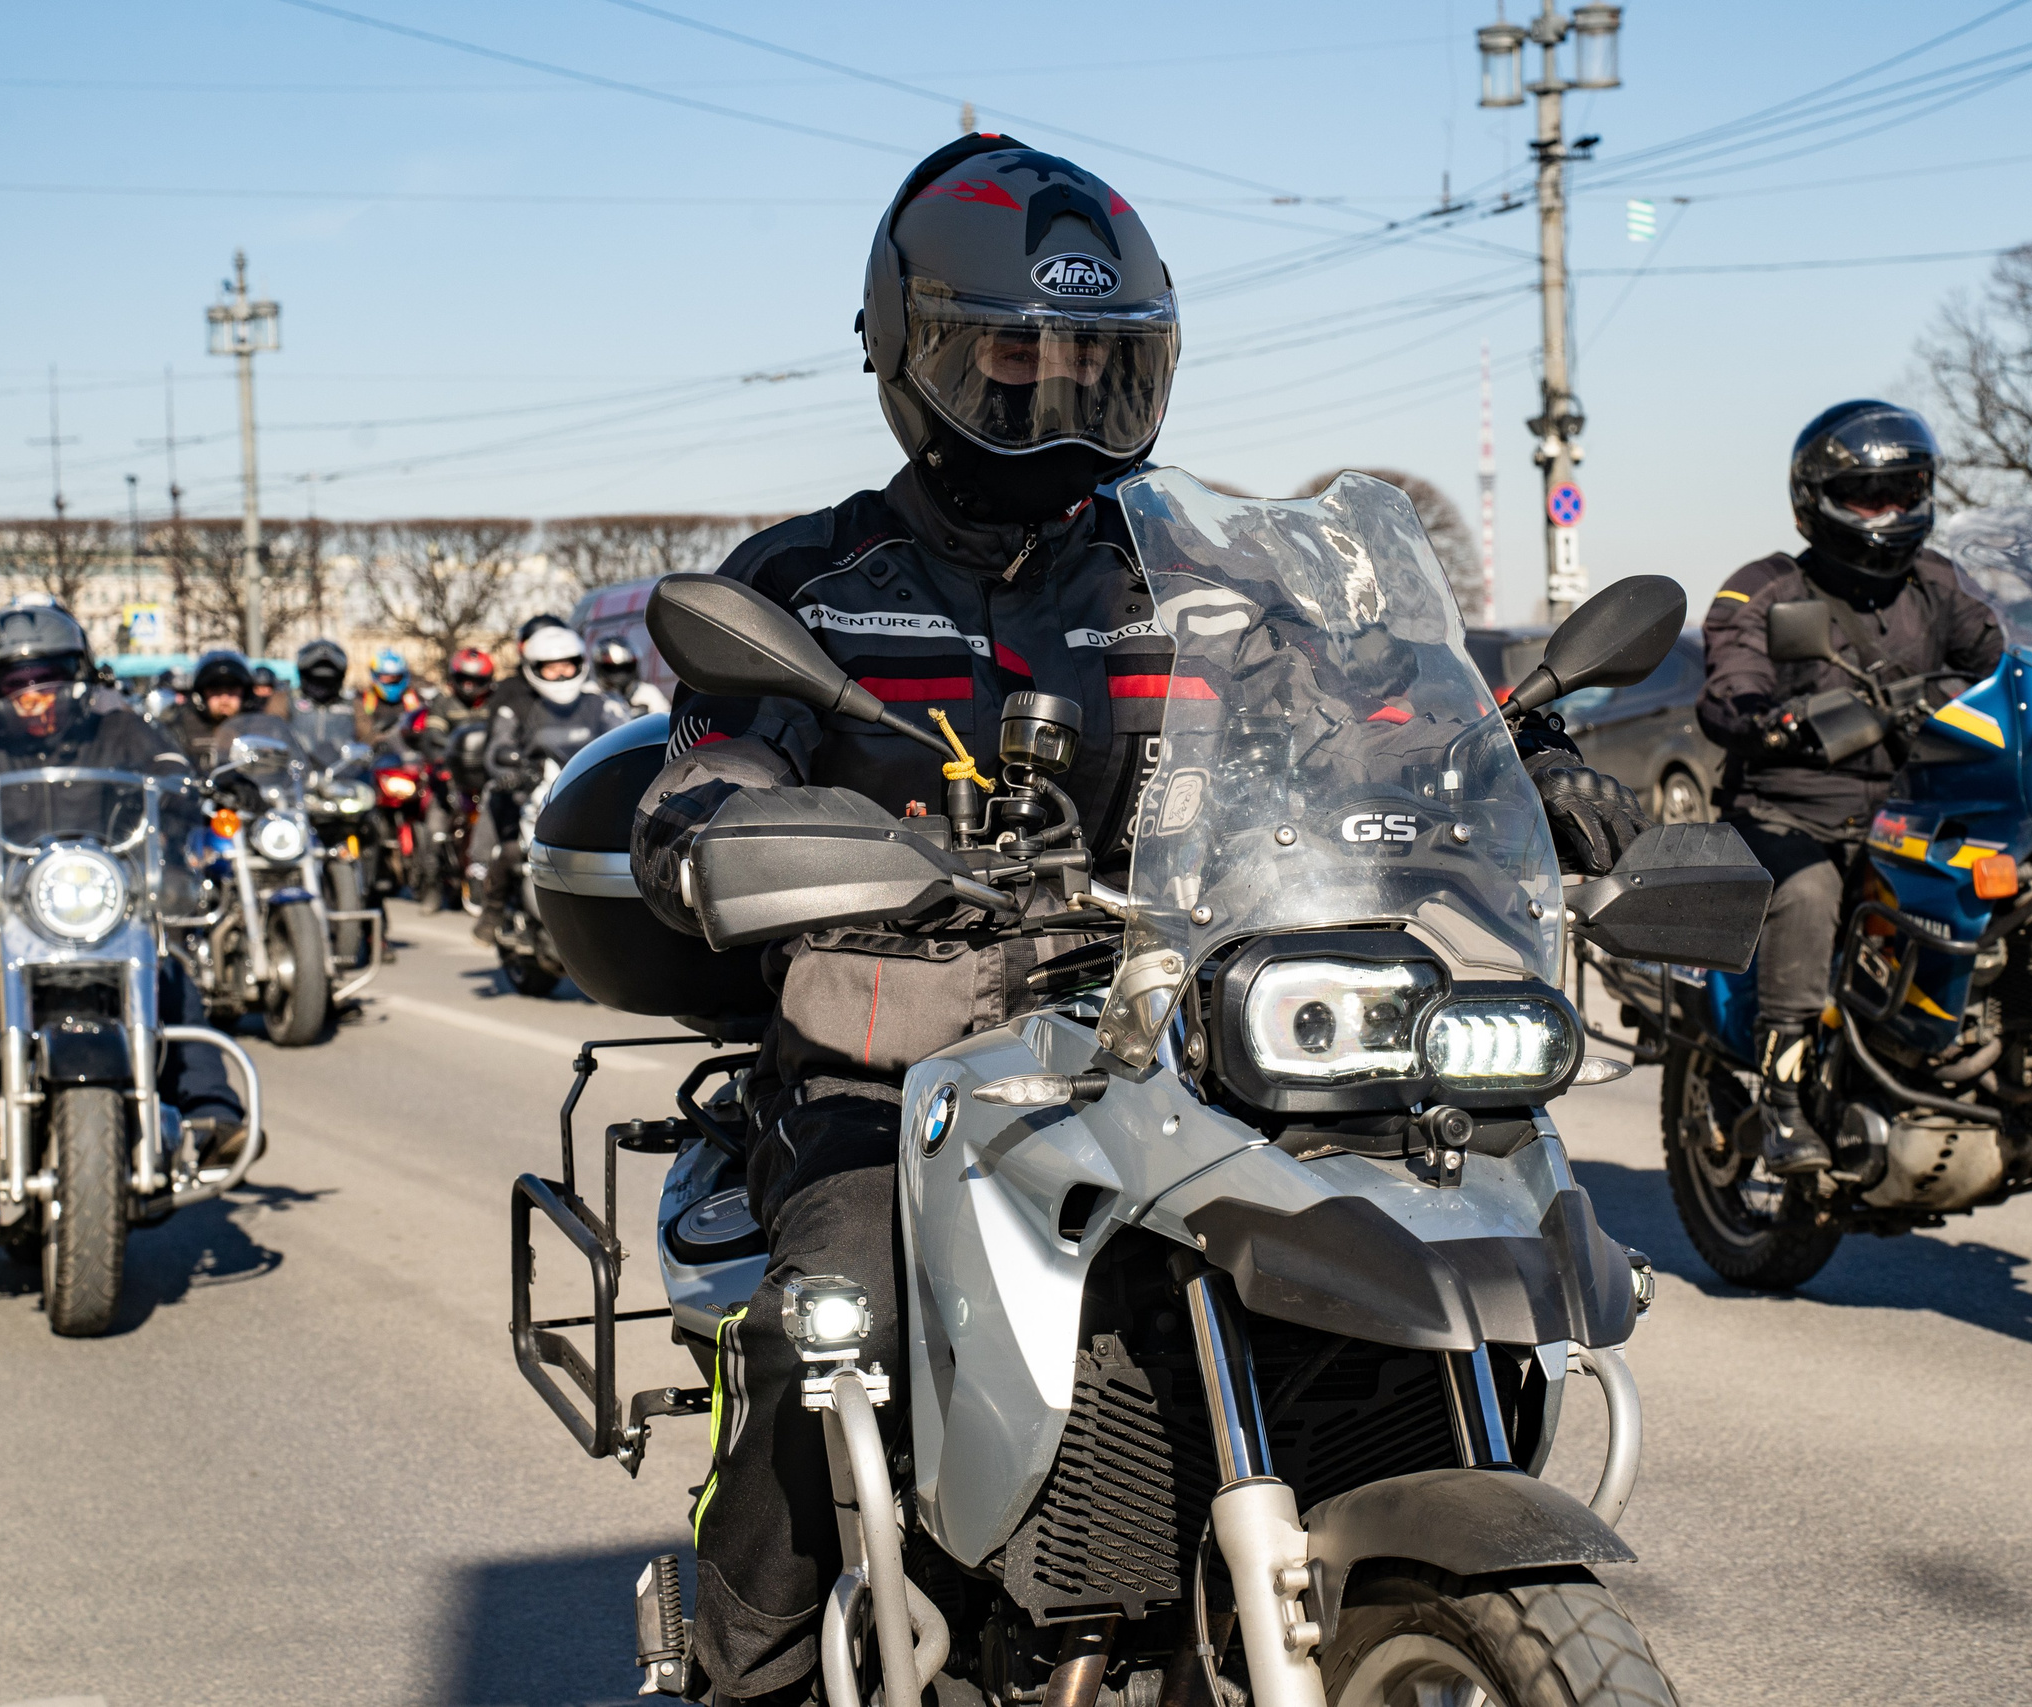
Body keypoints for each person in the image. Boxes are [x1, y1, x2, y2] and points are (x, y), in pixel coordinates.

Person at [625, 135, 1642, 1707]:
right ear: (914, 352)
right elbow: (712, 770)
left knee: (1439, 1216)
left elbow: (1381, 715)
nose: (1057, 394)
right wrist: (721, 824)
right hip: (895, 1058)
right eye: (1014, 353)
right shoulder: (814, 585)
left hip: (1186, 1027)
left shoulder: (1208, 573)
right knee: (833, 1316)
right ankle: (746, 1668)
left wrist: (1518, 766)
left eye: (1101, 360)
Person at [1696, 400, 2005, 1174]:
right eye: (1871, 496)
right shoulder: (1763, 589)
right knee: (1807, 894)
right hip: (1791, 811)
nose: (1889, 513)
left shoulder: (1939, 584)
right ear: (1818, 499)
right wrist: (1767, 717)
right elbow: (1731, 680)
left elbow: (2003, 659)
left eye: (1903, 493)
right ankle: (1785, 1096)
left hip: (1912, 809)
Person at [0, 605, 242, 1190]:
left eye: (48, 679)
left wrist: (194, 784)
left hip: (101, 907)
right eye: (16, 684)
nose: (34, 696)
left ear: (78, 678)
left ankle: (212, 1113)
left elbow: (169, 766)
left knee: (169, 975)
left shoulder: (117, 732)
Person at [476, 625, 627, 927]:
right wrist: (509, 772)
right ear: (534, 669)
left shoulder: (602, 704)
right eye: (551, 668)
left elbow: (625, 737)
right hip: (535, 797)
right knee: (508, 850)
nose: (560, 674)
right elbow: (497, 748)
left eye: (566, 665)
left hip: (592, 796)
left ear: (580, 664)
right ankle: (491, 913)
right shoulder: (518, 707)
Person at [161, 648, 261, 773]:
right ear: (201, 694)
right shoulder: (181, 729)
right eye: (215, 690)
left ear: (246, 693)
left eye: (232, 690)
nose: (224, 699)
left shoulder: (260, 727)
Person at [287, 638, 359, 768]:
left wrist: (378, 745)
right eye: (315, 678)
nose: (321, 685)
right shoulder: (287, 699)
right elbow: (268, 726)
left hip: (344, 774)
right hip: (295, 774)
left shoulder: (352, 703)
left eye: (328, 679)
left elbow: (369, 733)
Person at [353, 647, 421, 747]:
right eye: (386, 677)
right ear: (376, 676)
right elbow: (362, 730)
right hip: (375, 755)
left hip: (408, 753)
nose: (391, 681)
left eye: (395, 677)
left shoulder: (414, 698)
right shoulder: (364, 699)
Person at [590, 636, 668, 717]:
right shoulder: (590, 694)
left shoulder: (648, 694)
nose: (620, 675)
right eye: (612, 668)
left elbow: (664, 721)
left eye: (626, 667)